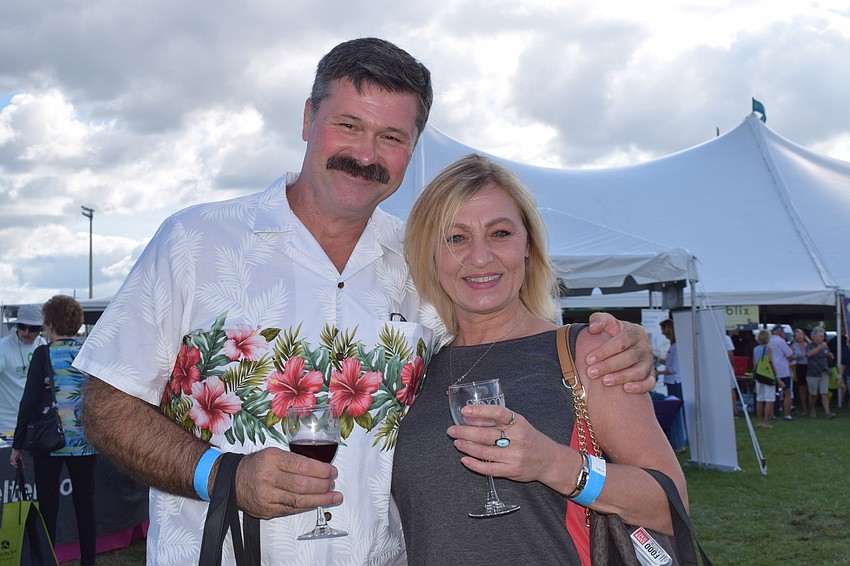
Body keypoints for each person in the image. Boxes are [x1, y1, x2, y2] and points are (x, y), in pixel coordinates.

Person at [71, 38, 656, 565]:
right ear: (307, 118)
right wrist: (222, 473)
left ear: (412, 148)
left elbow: (508, 338)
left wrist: (609, 345)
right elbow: (105, 402)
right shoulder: (196, 243)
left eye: (391, 137)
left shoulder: (425, 262)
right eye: (347, 125)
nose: (365, 153)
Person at [391, 154, 686, 565]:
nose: (480, 257)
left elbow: (669, 506)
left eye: (500, 233)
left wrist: (555, 464)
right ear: (430, 253)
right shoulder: (415, 367)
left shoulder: (586, 353)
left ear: (527, 245)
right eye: (455, 238)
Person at [10, 296, 97, 566]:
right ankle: (89, 562)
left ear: (49, 324)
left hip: (50, 442)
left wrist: (17, 444)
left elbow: (29, 400)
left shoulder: (43, 353)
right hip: (86, 441)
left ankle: (47, 560)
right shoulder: (91, 350)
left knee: (48, 505)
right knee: (85, 505)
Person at [0, 304, 47, 435]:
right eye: (22, 327)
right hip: (6, 424)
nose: (26, 333)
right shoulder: (3, 348)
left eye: (32, 329)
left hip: (35, 422)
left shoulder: (42, 344)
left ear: (41, 329)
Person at [658, 318, 687, 452]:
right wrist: (658, 360)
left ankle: (680, 443)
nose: (662, 333)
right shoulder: (673, 346)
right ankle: (679, 442)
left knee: (676, 414)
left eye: (663, 329)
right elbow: (670, 364)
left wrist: (657, 372)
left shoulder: (677, 347)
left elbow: (674, 369)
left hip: (675, 382)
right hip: (671, 382)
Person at [806, 327, 835, 418]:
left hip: (824, 371)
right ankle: (812, 408)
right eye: (820, 336)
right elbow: (808, 354)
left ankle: (827, 412)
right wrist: (819, 347)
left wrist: (830, 356)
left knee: (824, 393)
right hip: (813, 373)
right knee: (813, 394)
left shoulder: (825, 346)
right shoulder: (810, 345)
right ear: (814, 337)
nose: (822, 338)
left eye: (823, 336)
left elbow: (828, 357)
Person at [768, 324, 794, 421]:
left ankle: (772, 414)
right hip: (782, 370)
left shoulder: (768, 341)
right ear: (778, 331)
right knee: (787, 392)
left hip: (771, 369)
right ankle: (787, 414)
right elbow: (790, 355)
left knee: (771, 393)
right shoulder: (780, 341)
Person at [753, 329, 776, 428]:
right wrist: (775, 373)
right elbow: (770, 362)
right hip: (767, 375)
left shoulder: (755, 349)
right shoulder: (769, 349)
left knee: (759, 399)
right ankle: (766, 422)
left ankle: (759, 420)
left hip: (758, 375)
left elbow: (755, 363)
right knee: (769, 399)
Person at [791, 328, 810, 415]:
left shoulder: (809, 344)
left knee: (810, 387)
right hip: (799, 367)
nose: (799, 337)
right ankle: (804, 408)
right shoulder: (793, 345)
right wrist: (798, 356)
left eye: (800, 335)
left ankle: (811, 407)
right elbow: (790, 356)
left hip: (809, 367)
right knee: (802, 388)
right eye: (797, 336)